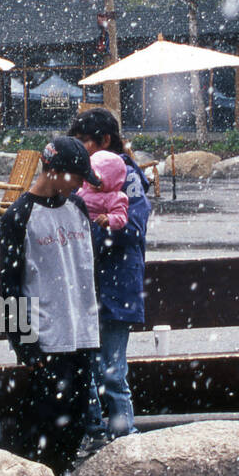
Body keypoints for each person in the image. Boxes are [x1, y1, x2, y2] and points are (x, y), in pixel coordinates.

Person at [0, 136, 102, 476]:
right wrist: (23, 343)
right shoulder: (19, 216)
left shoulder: (78, 208)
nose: (80, 185)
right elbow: (10, 286)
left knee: (75, 419)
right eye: (76, 177)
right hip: (46, 338)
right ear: (53, 171)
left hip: (82, 333)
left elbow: (88, 265)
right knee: (42, 423)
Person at [68, 107, 152, 442]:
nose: (79, 152)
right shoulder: (82, 179)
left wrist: (94, 231)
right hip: (88, 288)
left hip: (117, 287)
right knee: (87, 368)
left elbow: (132, 228)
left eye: (84, 144)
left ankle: (123, 435)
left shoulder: (126, 179)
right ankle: (93, 431)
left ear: (104, 141)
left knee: (112, 371)